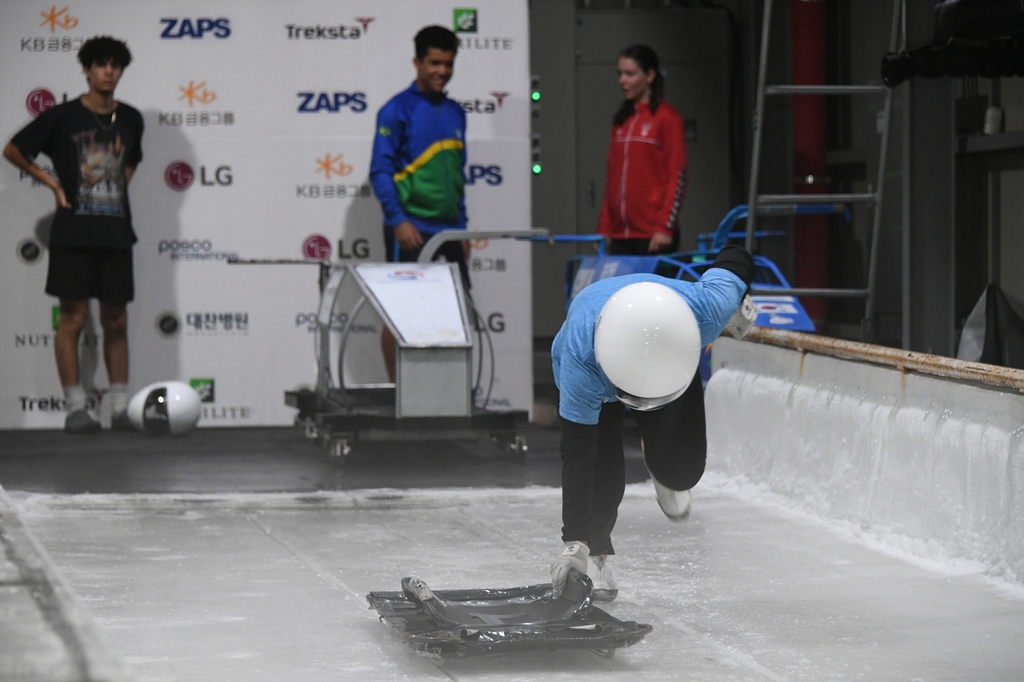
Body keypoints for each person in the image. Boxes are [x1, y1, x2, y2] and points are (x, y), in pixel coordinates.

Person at [548, 245, 758, 601]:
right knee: (606, 470)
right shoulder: (578, 365)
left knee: (683, 471)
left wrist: (739, 302)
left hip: (670, 348)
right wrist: (576, 544)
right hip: (599, 355)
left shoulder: (705, 311)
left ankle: (662, 459)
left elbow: (737, 255)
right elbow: (580, 456)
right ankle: (600, 554)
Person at [3, 36, 143, 434]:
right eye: (100, 64)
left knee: (116, 321)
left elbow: (131, 161)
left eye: (115, 65)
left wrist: (113, 191)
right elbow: (13, 149)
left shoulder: (131, 118)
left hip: (116, 232)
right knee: (73, 319)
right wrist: (52, 183)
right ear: (86, 69)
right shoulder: (63, 116)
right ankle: (75, 408)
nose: (108, 71)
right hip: (73, 233)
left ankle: (119, 407)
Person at [369, 25, 470, 378]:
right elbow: (380, 171)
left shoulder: (457, 112)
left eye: (448, 63)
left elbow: (458, 175)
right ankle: (399, 396)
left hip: (449, 232)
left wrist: (462, 228)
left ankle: (444, 397)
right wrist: (398, 219)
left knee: (457, 314)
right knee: (400, 314)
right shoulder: (396, 110)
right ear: (417, 61)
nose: (442, 70)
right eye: (435, 63)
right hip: (411, 228)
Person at [597, 44, 687, 255]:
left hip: (653, 236)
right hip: (619, 236)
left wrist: (664, 227)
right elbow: (612, 180)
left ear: (650, 76)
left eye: (630, 74)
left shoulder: (667, 118)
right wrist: (603, 228)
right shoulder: (621, 121)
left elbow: (678, 175)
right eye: (620, 74)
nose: (622, 81)